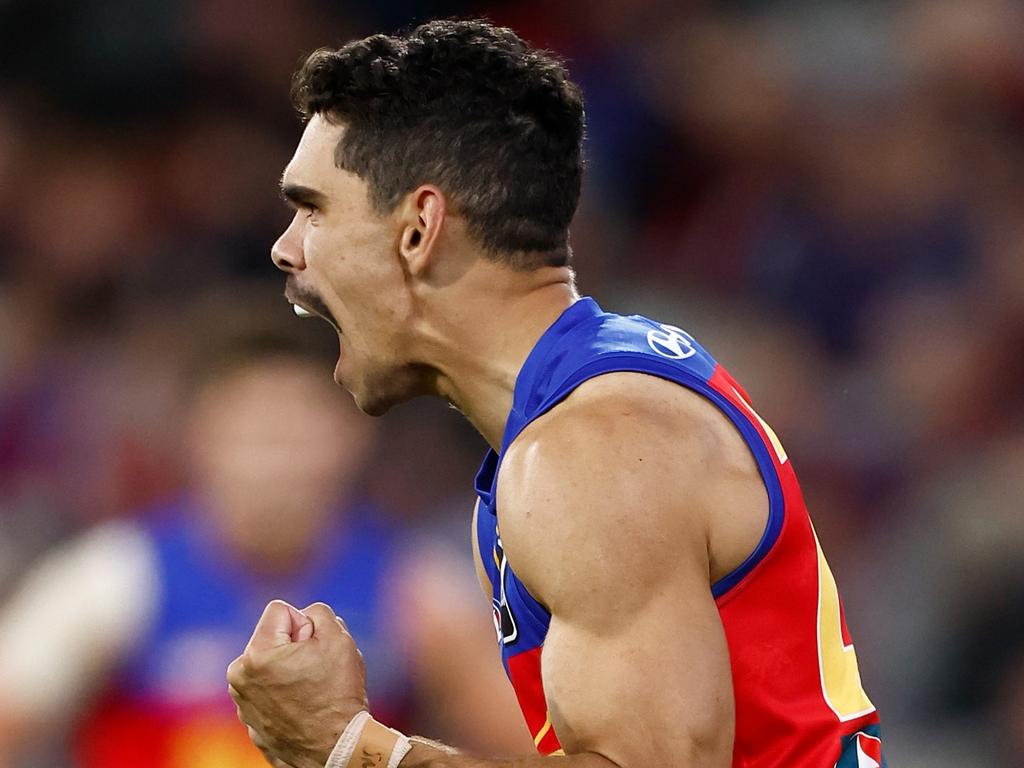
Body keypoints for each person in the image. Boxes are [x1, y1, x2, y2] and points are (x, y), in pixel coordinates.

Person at [227, 19, 885, 768]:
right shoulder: (581, 414)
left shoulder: (592, 447)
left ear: (418, 229)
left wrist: (348, 748)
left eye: (313, 208)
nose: (285, 247)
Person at [0, 301, 527, 768]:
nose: (275, 459)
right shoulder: (112, 578)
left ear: (353, 436)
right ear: (196, 437)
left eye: (297, 430)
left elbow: (523, 752)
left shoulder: (418, 590)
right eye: (253, 430)